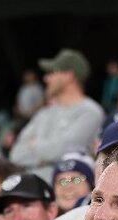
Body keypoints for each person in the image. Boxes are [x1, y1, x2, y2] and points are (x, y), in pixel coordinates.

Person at [9, 49, 105, 181]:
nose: (46, 78)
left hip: (68, 191)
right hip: (35, 193)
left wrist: (35, 145)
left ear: (69, 76)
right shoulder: (44, 113)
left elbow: (64, 150)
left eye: (52, 73)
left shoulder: (90, 112)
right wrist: (49, 154)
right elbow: (16, 154)